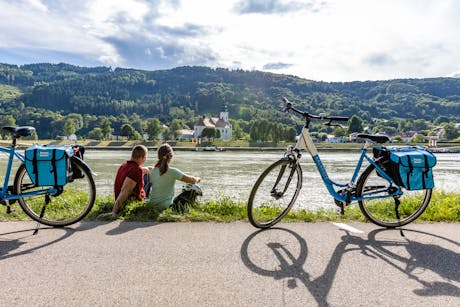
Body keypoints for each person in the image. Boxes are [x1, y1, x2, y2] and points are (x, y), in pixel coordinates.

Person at [148, 143, 200, 212]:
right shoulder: (172, 171)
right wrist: (198, 178)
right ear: (171, 156)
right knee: (192, 188)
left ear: (158, 156)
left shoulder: (152, 171)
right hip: (166, 206)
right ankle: (187, 211)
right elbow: (192, 180)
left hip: (153, 205)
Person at [104, 144, 149, 218]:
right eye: (145, 157)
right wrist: (114, 211)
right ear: (142, 158)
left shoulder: (123, 165)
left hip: (124, 197)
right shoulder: (137, 170)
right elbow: (125, 190)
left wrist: (147, 169)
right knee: (148, 180)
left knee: (146, 175)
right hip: (132, 202)